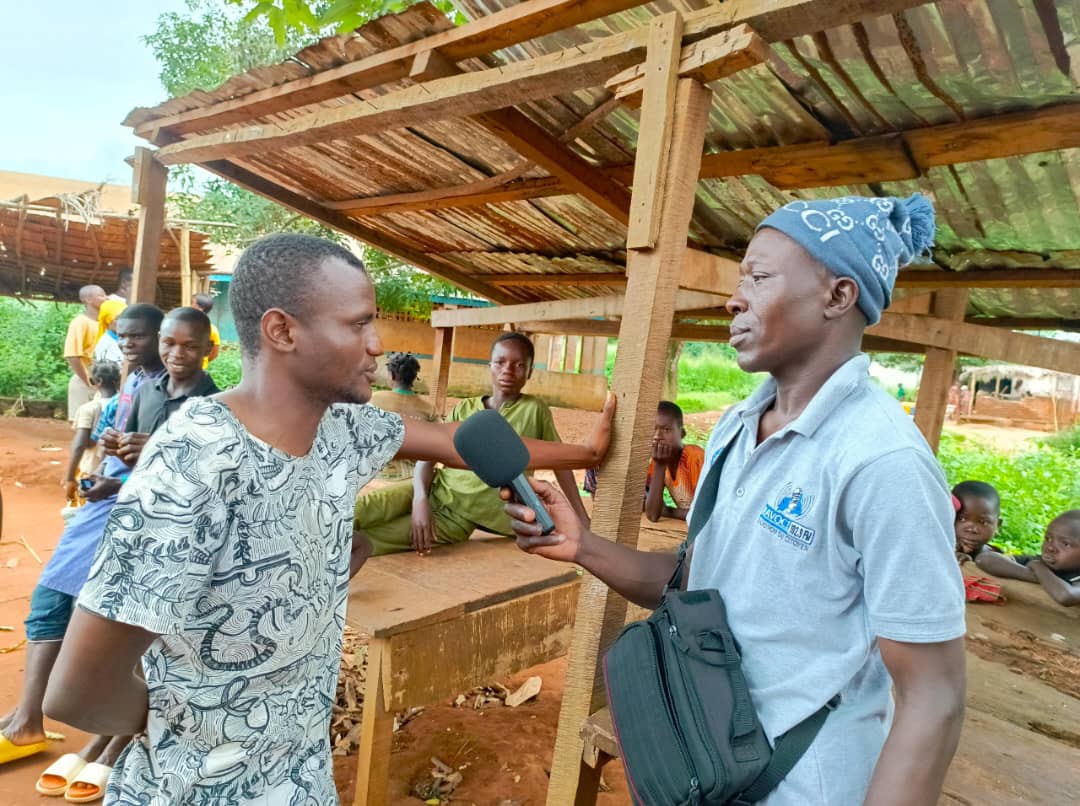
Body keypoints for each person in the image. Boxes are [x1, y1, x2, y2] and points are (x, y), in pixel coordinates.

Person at [42, 233, 613, 805]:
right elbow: (77, 690)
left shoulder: (343, 428)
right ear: (282, 330)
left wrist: (586, 456)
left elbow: (452, 440)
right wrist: (190, 725)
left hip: (302, 784)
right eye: (357, 324)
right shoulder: (194, 464)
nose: (377, 344)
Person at [504, 195, 967, 805]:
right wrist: (584, 545)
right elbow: (694, 582)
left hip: (797, 785)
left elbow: (935, 696)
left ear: (838, 296)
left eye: (759, 275)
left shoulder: (883, 463)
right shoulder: (735, 427)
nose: (734, 297)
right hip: (703, 764)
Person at [0, 304, 171, 775]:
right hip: (104, 507)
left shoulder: (179, 394)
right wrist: (99, 473)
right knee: (56, 603)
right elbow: (111, 444)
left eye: (139, 337)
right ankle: (26, 715)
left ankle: (89, 735)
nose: (128, 345)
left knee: (81, 609)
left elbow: (177, 471)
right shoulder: (136, 383)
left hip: (131, 513)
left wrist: (118, 482)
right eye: (122, 336)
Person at [355, 332, 592, 556]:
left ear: (530, 372)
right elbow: (430, 453)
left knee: (374, 539)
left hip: (461, 517)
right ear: (489, 366)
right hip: (434, 488)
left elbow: (561, 462)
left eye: (519, 365)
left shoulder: (535, 410)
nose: (508, 370)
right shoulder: (465, 408)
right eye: (500, 362)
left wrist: (582, 518)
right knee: (357, 510)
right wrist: (420, 498)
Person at [975, 511, 1080, 607]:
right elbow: (984, 559)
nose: (1050, 547)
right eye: (1048, 539)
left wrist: (1038, 567)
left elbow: (1065, 596)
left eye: (1065, 544)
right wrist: (1038, 577)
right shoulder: (1042, 560)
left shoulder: (1039, 564)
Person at [62, 361, 121, 507]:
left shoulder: (89, 409)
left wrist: (69, 477)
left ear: (97, 382)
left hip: (91, 471)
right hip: (115, 472)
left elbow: (81, 444)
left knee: (85, 507)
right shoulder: (125, 405)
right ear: (118, 381)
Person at [369, 352, 436, 481]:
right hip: (414, 477)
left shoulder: (373, 400)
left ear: (392, 376)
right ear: (414, 377)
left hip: (377, 475)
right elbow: (436, 446)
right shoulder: (429, 409)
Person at [644, 401, 705, 522]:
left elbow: (702, 514)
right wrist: (660, 466)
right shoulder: (658, 461)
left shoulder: (694, 457)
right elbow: (652, 515)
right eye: (653, 429)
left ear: (682, 434)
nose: (657, 436)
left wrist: (669, 512)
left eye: (666, 429)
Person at [64, 285, 107, 422]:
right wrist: (88, 382)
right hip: (86, 380)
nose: (105, 298)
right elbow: (72, 355)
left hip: (101, 380)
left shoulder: (104, 323)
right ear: (88, 299)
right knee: (83, 425)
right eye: (101, 295)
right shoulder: (80, 322)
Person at [952, 480, 1001, 563]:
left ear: (997, 525)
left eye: (983, 522)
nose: (972, 529)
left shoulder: (998, 559)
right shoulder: (937, 550)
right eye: (961, 519)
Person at [93, 299, 127, 366]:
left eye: (126, 317)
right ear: (107, 321)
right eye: (118, 319)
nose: (124, 321)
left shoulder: (124, 338)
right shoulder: (106, 344)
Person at [191, 292, 221, 367]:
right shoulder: (213, 329)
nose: (190, 306)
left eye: (192, 303)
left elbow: (214, 354)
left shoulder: (211, 330)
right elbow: (214, 354)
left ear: (200, 309)